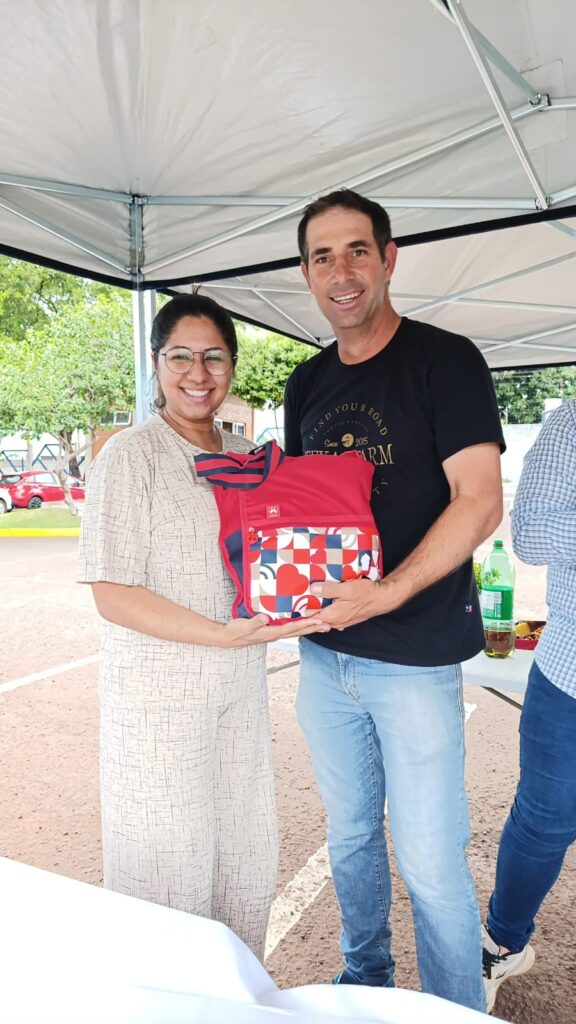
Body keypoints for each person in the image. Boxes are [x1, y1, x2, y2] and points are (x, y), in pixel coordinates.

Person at [283, 189, 505, 1011]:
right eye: (323, 256)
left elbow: (479, 501)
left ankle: (453, 1010)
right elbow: (304, 515)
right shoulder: (306, 382)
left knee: (431, 861)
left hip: (413, 659)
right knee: (349, 837)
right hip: (323, 652)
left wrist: (385, 594)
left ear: (388, 259)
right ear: (306, 272)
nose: (341, 272)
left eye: (357, 251)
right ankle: (365, 982)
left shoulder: (445, 361)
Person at [78, 293, 328, 960]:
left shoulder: (251, 456)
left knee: (244, 857)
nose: (198, 373)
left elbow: (282, 558)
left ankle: (236, 995)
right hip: (157, 701)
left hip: (239, 690)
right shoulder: (130, 456)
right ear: (156, 362)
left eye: (214, 357)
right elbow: (111, 594)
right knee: (168, 870)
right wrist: (219, 634)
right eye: (181, 357)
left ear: (233, 365)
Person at [482, 399, 576, 1013]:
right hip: (572, 671)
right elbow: (532, 533)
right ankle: (501, 943)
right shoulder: (572, 422)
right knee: (544, 822)